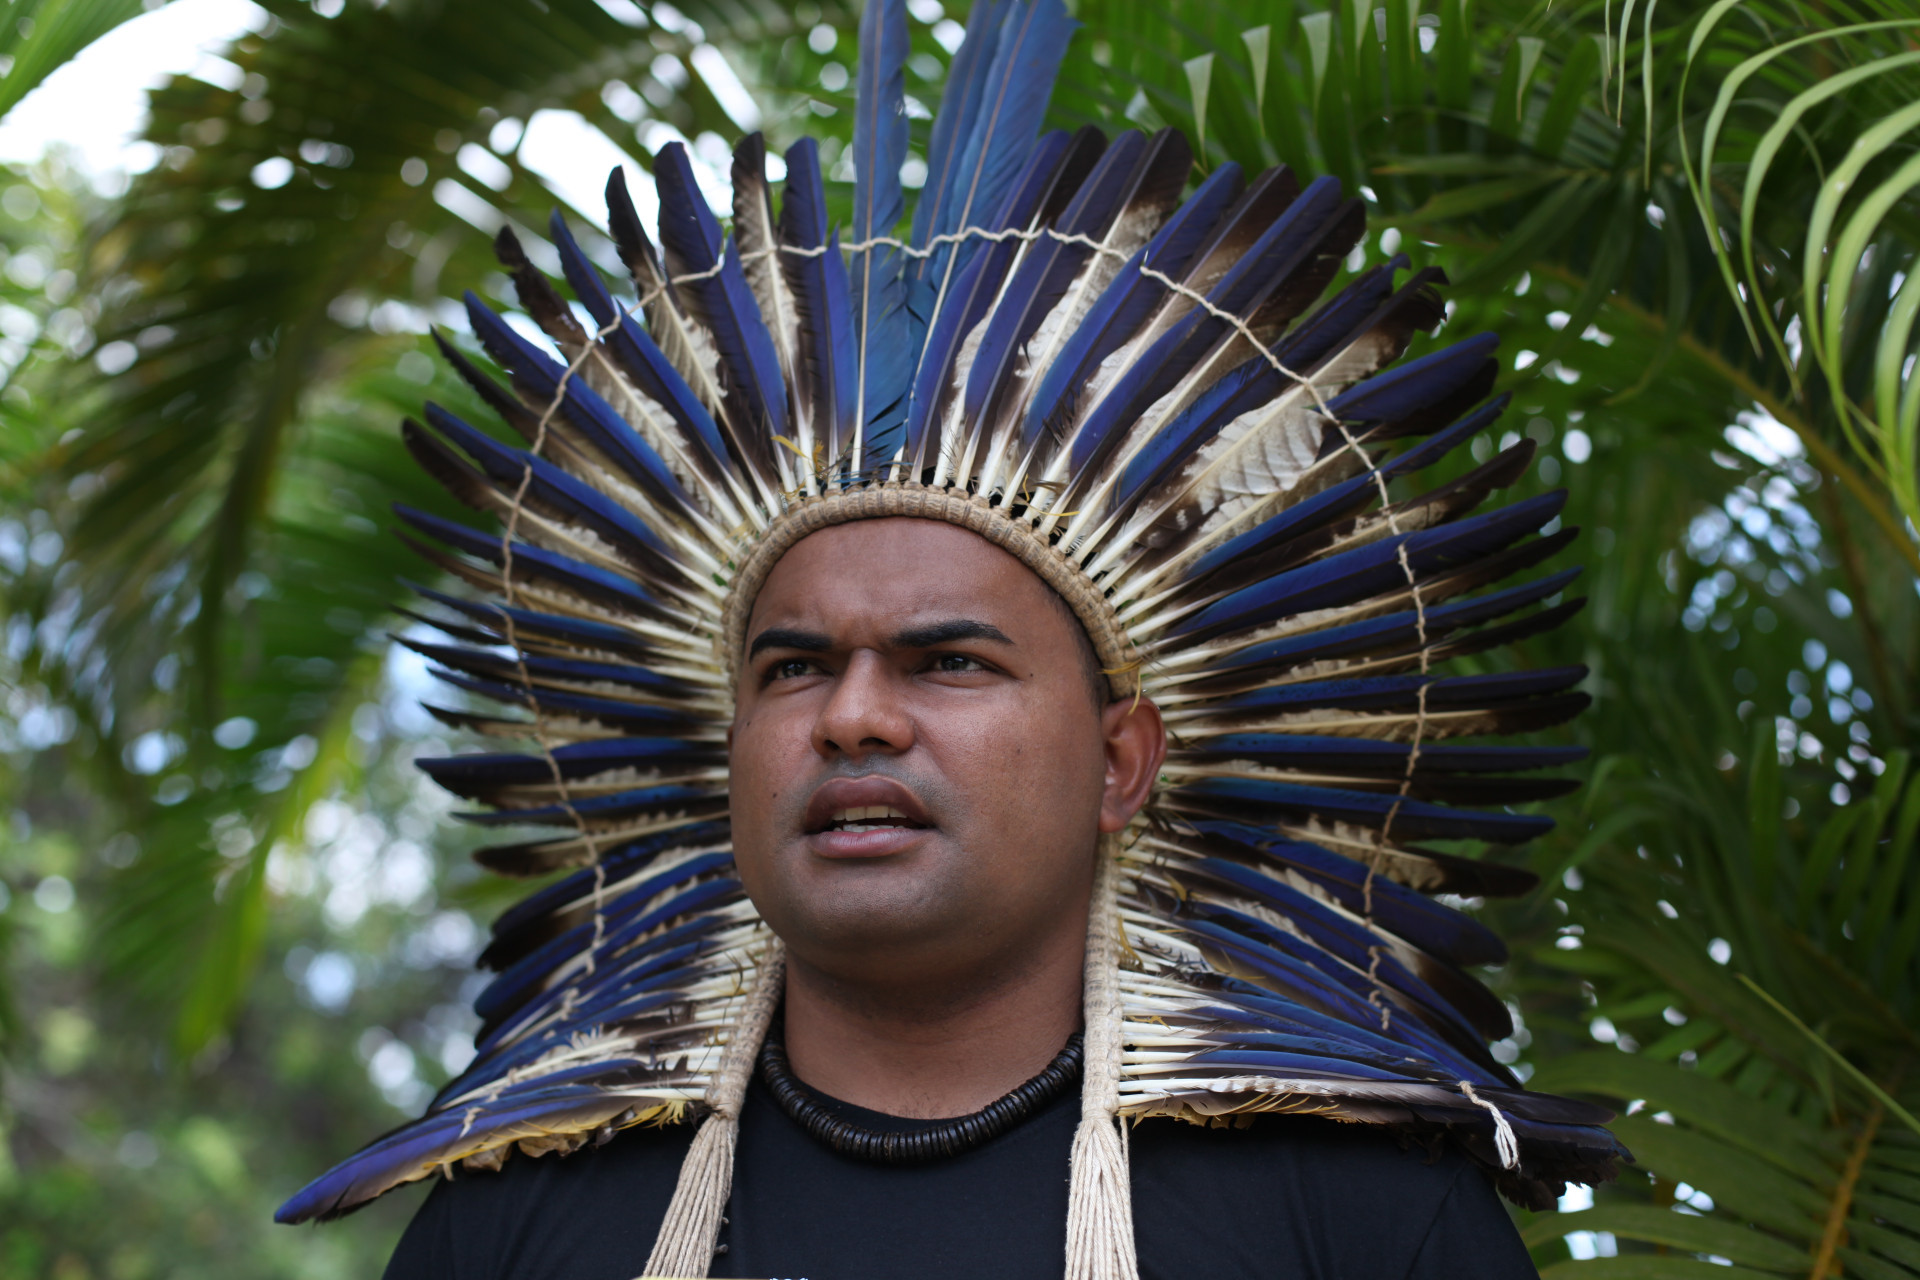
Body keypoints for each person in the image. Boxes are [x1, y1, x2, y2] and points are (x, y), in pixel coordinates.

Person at [276, 0, 1623, 1272]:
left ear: (1120, 762)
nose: (852, 717)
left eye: (949, 662)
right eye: (794, 668)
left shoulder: (1359, 1211)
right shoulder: (517, 1218)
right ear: (729, 746)